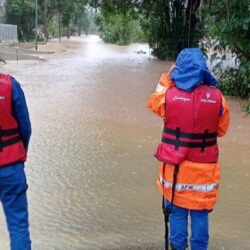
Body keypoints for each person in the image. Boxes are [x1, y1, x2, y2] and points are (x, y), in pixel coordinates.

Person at [147, 48, 230, 250]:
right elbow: (221, 130)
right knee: (200, 213)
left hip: (176, 171)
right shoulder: (219, 99)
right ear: (203, 70)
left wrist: (168, 77)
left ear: (179, 69)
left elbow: (153, 102)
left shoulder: (168, 96)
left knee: (176, 212)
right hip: (205, 174)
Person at [0, 72, 32, 250]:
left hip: (11, 165)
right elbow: (25, 127)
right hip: (10, 166)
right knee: (18, 226)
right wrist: (20, 154)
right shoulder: (11, 85)